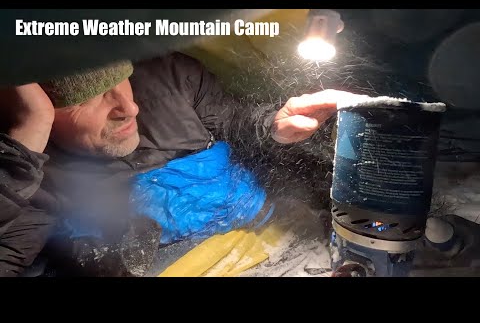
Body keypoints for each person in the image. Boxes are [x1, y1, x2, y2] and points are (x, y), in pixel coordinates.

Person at [0, 51, 358, 277]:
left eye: (120, 79)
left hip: (277, 239)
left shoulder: (171, 76)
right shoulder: (29, 174)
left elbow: (236, 121)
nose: (129, 108)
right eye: (85, 101)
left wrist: (273, 126)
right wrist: (25, 141)